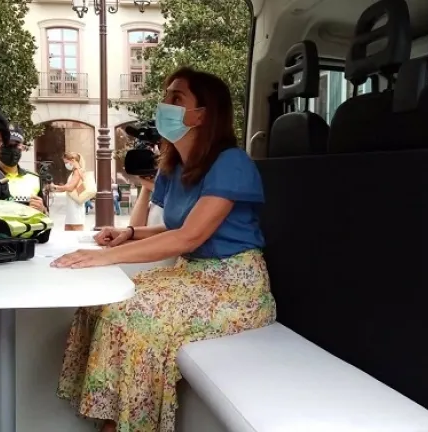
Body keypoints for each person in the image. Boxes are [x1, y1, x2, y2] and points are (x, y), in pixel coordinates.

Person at [51, 67, 276, 432]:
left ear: (201, 114)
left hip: (235, 287)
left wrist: (105, 258)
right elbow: (174, 228)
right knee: (100, 304)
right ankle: (111, 417)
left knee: (129, 316)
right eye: (166, 95)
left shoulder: (231, 163)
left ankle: (130, 426)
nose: (164, 104)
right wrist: (129, 233)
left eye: (177, 98)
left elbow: (188, 237)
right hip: (192, 276)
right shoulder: (174, 167)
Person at [0, 111, 48, 214]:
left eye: (15, 145)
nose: (12, 149)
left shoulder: (34, 178)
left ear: (22, 147)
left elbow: (46, 215)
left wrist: (42, 210)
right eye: (8, 145)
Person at [51, 152, 86, 231]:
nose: (66, 165)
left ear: (73, 160)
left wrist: (55, 187)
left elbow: (70, 188)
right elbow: (67, 188)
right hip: (72, 207)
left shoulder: (78, 172)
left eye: (66, 162)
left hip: (76, 207)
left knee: (76, 231)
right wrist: (55, 188)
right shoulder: (74, 172)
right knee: (68, 230)